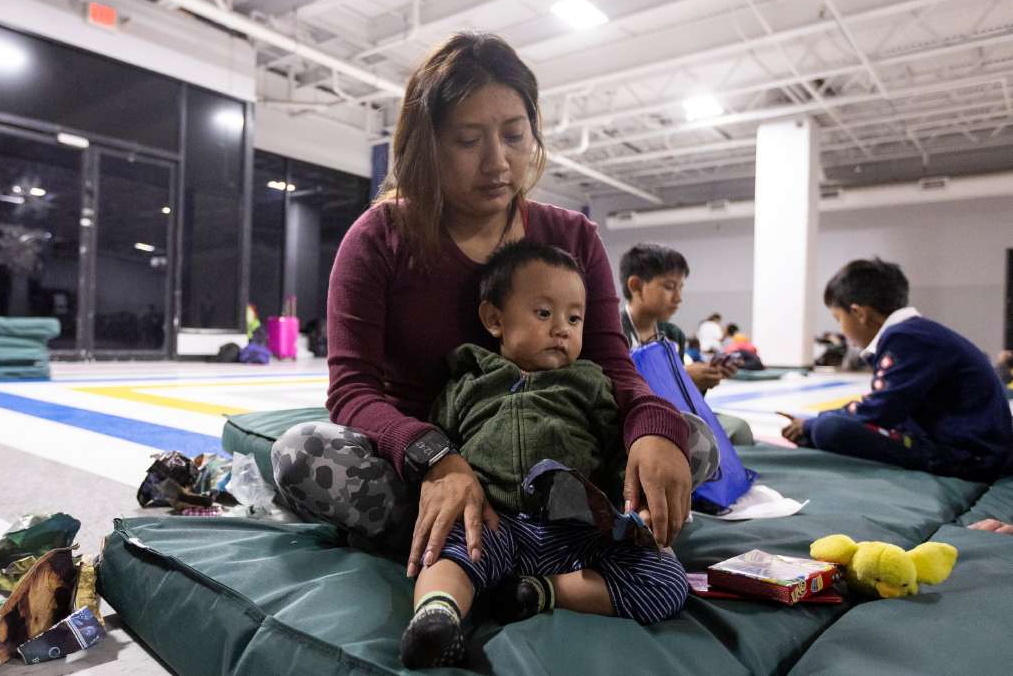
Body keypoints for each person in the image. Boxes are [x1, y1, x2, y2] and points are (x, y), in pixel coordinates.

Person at [270, 33, 694, 587]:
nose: (499, 162)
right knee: (302, 455)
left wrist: (654, 432)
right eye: (469, 140)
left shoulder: (572, 236)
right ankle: (527, 544)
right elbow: (352, 390)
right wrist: (436, 460)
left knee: (690, 441)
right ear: (427, 145)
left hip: (564, 455)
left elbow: (614, 372)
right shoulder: (379, 238)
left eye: (515, 135)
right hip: (429, 463)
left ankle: (479, 552)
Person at [399, 241, 689, 668]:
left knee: (665, 578)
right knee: (447, 552)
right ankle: (436, 618)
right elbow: (442, 447)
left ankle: (541, 591)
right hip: (493, 523)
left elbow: (616, 453)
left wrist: (636, 513)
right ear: (494, 319)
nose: (562, 329)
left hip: (578, 534)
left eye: (574, 318)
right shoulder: (467, 382)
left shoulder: (588, 382)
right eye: (543, 314)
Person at [781, 258, 1013, 482]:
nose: (840, 328)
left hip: (974, 458)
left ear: (860, 313)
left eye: (838, 318)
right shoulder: (918, 333)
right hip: (978, 447)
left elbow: (879, 410)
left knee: (828, 429)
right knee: (832, 424)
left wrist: (813, 423)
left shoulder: (904, 337)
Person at [618, 243, 753, 444]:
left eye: (681, 287)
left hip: (674, 415)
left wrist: (704, 379)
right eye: (669, 287)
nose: (679, 298)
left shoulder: (672, 335)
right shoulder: (614, 335)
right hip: (632, 425)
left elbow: (682, 401)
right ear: (636, 286)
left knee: (739, 429)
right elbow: (616, 398)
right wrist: (681, 380)